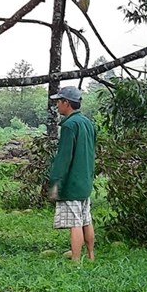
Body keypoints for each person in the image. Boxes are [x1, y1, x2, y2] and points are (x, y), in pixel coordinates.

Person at [47, 85, 96, 262]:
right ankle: (91, 256)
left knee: (74, 223)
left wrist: (55, 183)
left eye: (59, 102)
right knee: (86, 220)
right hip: (85, 181)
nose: (57, 105)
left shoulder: (69, 125)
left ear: (67, 103)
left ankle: (75, 263)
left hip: (72, 184)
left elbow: (63, 158)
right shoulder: (88, 123)